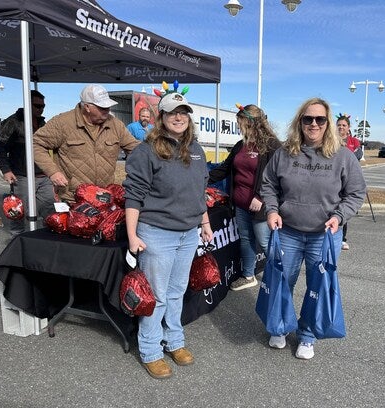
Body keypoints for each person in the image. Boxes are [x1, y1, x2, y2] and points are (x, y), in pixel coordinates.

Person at [261, 97, 366, 360]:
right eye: (308, 119)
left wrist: (340, 217)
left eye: (320, 119)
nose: (314, 124)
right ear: (300, 122)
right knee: (283, 280)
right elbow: (268, 185)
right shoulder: (284, 153)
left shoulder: (343, 156)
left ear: (328, 123)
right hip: (288, 232)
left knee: (317, 285)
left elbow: (355, 193)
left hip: (325, 236)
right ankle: (282, 326)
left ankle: (307, 334)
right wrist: (271, 210)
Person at [123, 87, 213, 379]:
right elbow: (133, 195)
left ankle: (174, 341)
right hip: (157, 233)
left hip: (188, 232)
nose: (178, 117)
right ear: (161, 117)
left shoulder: (196, 149)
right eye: (172, 112)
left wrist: (205, 224)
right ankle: (150, 351)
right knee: (158, 296)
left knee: (176, 292)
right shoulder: (146, 150)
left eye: (183, 112)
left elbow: (199, 193)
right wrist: (133, 236)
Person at [208, 104, 281, 290]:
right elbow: (225, 168)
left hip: (261, 206)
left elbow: (276, 175)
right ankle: (249, 275)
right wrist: (201, 180)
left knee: (265, 242)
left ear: (252, 123)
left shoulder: (272, 145)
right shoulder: (241, 145)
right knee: (246, 239)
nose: (239, 126)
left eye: (241, 123)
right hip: (240, 203)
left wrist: (260, 196)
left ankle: (282, 276)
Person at [33, 84, 139, 203]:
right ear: (87, 107)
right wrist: (52, 172)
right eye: (102, 108)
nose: (107, 111)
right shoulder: (62, 123)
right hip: (72, 198)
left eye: (108, 107)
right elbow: (36, 144)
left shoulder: (116, 125)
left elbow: (136, 149)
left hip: (104, 198)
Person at [0, 90, 54, 236]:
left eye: (43, 106)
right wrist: (6, 170)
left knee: (49, 208)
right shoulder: (13, 122)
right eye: (37, 106)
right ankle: (17, 236)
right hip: (21, 175)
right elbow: (0, 146)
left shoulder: (42, 123)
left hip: (43, 175)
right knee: (18, 209)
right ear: (28, 104)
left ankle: (49, 235)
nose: (41, 109)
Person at [336, 113, 362, 250]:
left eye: (344, 125)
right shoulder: (331, 140)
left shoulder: (354, 141)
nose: (341, 127)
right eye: (339, 125)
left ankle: (342, 238)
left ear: (348, 127)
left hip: (348, 178)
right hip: (334, 179)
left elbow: (358, 155)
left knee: (343, 208)